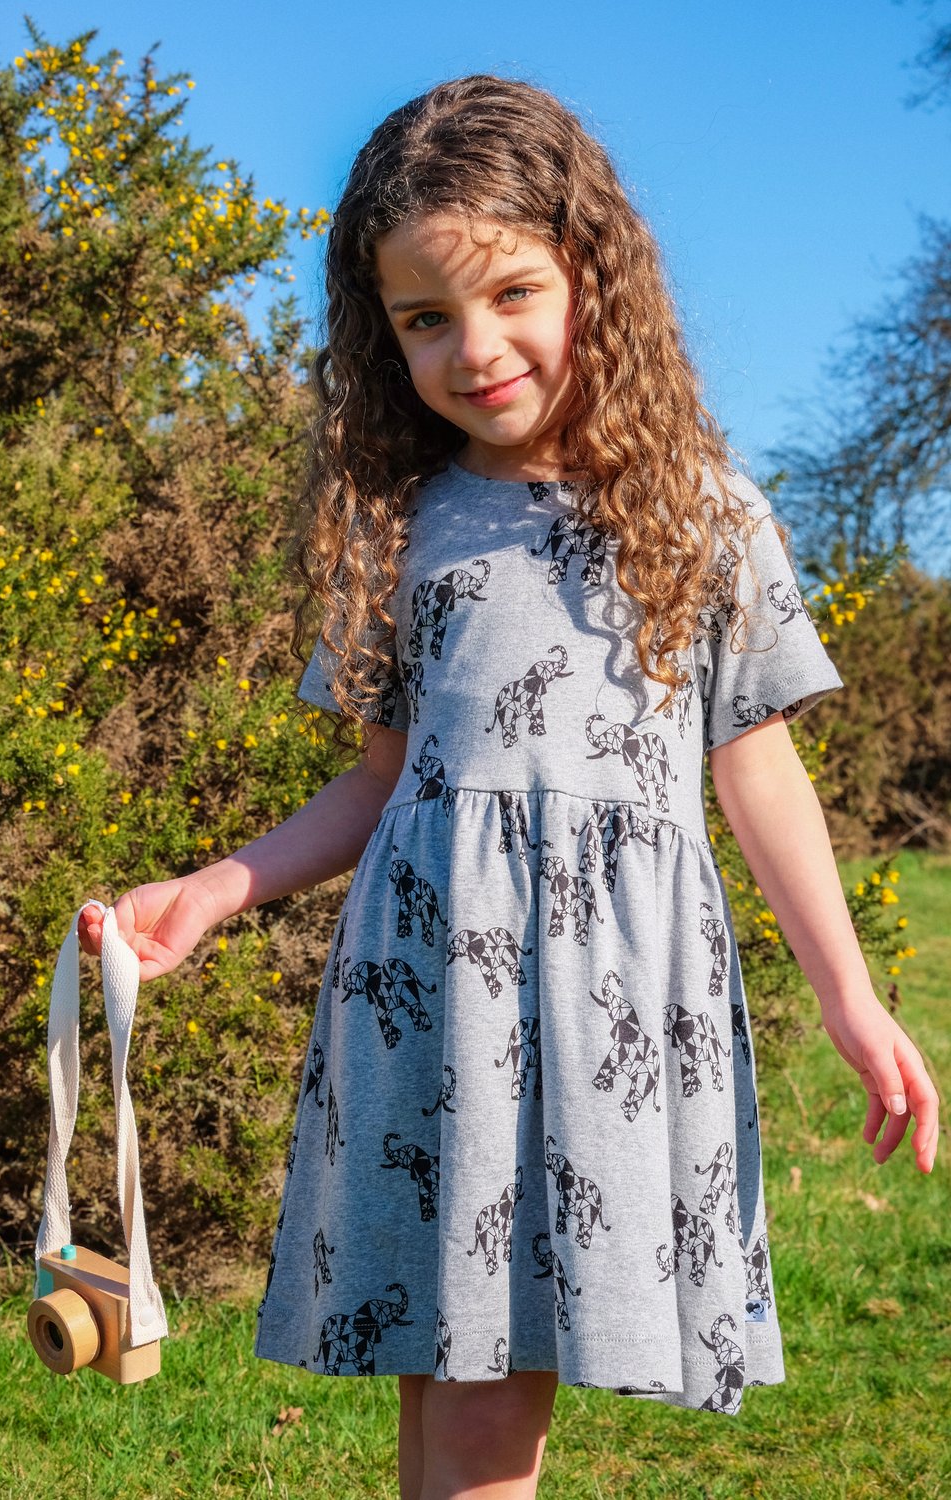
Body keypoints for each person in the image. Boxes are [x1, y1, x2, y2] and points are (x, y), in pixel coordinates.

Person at [78, 74, 939, 1500]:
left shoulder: (705, 511)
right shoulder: (402, 524)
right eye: (426, 319)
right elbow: (384, 778)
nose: (474, 349)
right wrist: (219, 889)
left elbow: (758, 762)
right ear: (383, 330)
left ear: (596, 273)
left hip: (604, 1003)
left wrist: (849, 995)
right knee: (447, 1380)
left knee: (487, 1403)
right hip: (433, 998)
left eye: (513, 294)